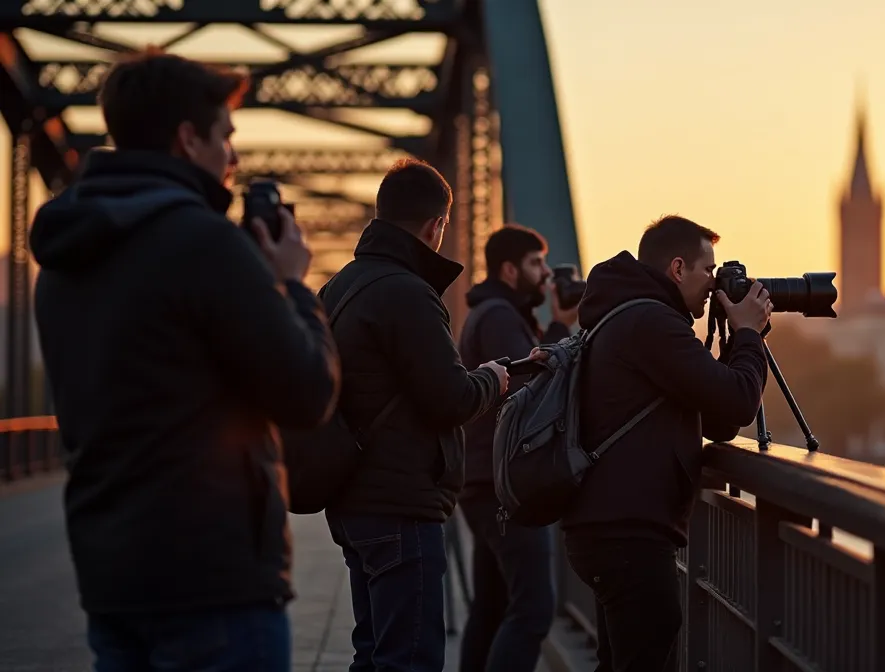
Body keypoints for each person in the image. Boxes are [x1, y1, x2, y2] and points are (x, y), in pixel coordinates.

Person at [28, 50, 340, 671]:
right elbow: (307, 394)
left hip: (112, 581)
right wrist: (293, 288)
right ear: (187, 137)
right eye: (226, 136)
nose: (235, 157)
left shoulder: (62, 260)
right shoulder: (205, 244)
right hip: (214, 582)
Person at [322, 158, 509, 671]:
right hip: (400, 502)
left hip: (354, 496)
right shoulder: (407, 292)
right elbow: (450, 398)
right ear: (437, 226)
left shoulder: (340, 287)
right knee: (411, 659)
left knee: (376, 651)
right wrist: (491, 378)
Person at [562, 215, 772, 671]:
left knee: (622, 661)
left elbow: (717, 420)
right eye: (708, 271)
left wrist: (737, 340)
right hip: (629, 533)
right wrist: (750, 334)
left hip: (607, 526)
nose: (714, 284)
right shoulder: (651, 323)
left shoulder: (628, 315)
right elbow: (737, 403)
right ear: (678, 269)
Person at [457, 225, 576, 672]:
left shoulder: (498, 314)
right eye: (536, 263)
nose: (546, 274)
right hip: (503, 487)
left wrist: (553, 325)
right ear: (510, 269)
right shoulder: (499, 316)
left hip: (485, 481)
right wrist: (562, 323)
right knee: (532, 610)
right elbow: (534, 389)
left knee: (491, 608)